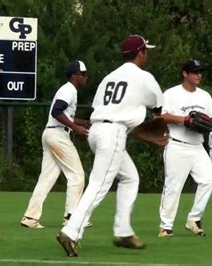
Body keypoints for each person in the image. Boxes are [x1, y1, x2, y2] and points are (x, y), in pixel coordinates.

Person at [57, 35, 163, 257]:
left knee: (130, 177)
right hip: (112, 133)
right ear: (141, 53)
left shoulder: (109, 77)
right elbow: (158, 111)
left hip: (97, 131)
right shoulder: (144, 78)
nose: (147, 55)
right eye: (146, 51)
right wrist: (154, 131)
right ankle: (71, 230)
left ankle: (123, 231)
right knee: (98, 184)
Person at [20, 60, 89, 229]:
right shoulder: (69, 90)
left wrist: (84, 122)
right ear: (74, 76)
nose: (86, 77)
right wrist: (76, 128)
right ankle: (71, 217)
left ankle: (30, 217)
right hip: (58, 135)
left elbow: (64, 114)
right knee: (77, 175)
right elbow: (56, 111)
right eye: (83, 74)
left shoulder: (68, 89)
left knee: (47, 178)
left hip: (51, 133)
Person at [158, 59, 212, 238]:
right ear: (185, 73)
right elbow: (163, 116)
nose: (199, 75)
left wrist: (204, 123)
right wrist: (184, 120)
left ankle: (194, 218)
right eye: (195, 72)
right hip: (177, 144)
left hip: (197, 146)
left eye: (200, 72)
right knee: (173, 187)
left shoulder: (204, 96)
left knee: (208, 180)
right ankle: (166, 226)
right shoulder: (171, 94)